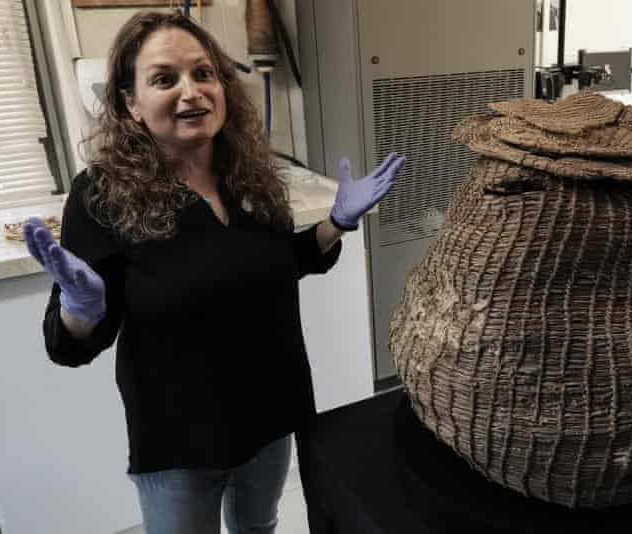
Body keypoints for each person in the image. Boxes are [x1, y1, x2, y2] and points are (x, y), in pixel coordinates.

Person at [22, 10, 404, 534]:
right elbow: (71, 344)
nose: (192, 91)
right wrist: (80, 312)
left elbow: (276, 266)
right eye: (164, 79)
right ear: (130, 103)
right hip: (180, 436)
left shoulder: (252, 174)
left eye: (204, 73)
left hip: (271, 410)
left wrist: (336, 223)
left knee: (258, 525)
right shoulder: (100, 195)